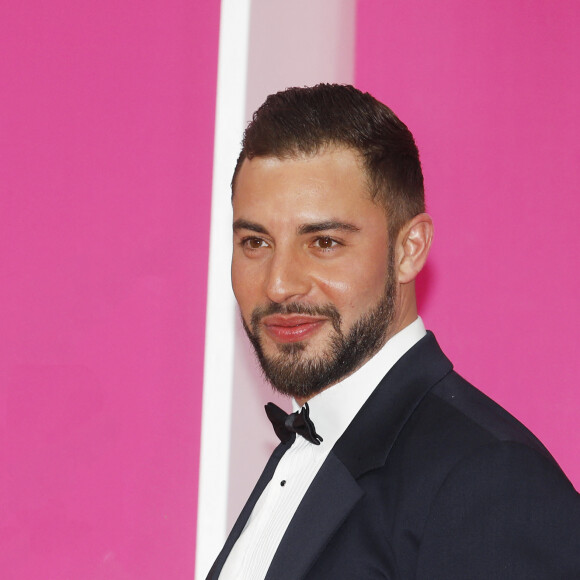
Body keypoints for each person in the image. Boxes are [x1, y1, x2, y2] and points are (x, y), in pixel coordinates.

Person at [207, 84, 580, 579]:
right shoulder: (305, 452)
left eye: (323, 242)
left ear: (409, 249)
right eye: (255, 241)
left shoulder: (489, 478)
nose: (279, 284)